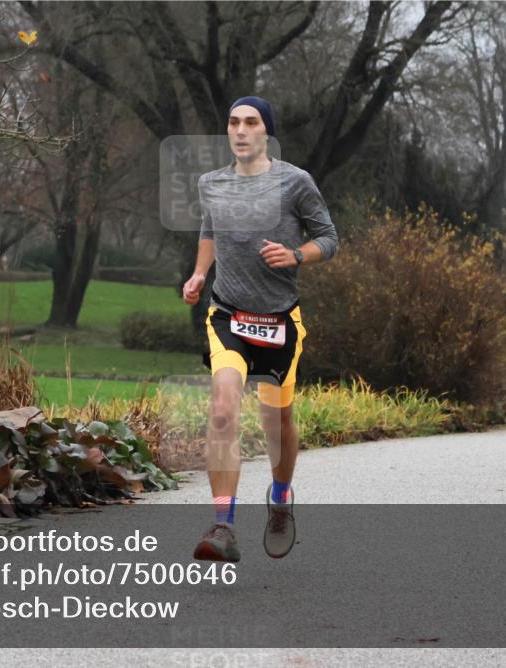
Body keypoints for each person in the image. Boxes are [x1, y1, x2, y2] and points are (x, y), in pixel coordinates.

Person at [182, 95, 339, 562]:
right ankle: (223, 525)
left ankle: (281, 496)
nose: (241, 130)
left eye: (251, 122)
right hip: (227, 313)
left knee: (278, 424)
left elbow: (329, 239)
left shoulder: (295, 182)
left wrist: (295, 255)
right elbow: (210, 230)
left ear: (266, 132)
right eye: (233, 122)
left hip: (278, 321)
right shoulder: (212, 183)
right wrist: (198, 274)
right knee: (224, 406)